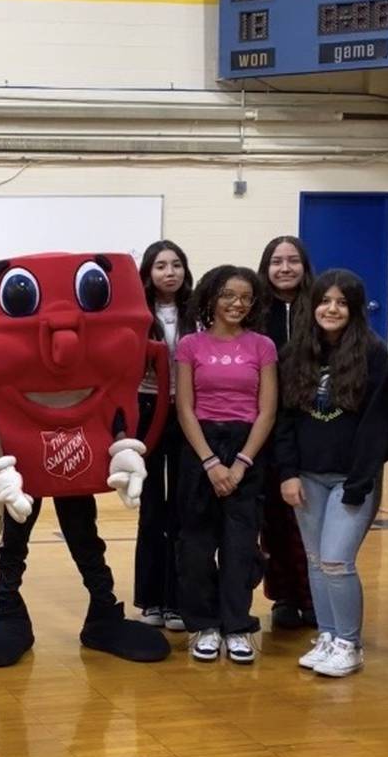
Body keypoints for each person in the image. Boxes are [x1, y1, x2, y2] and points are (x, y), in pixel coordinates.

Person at [275, 269, 388, 678]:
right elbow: (284, 418)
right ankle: (327, 636)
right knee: (314, 560)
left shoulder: (374, 353)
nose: (331, 309)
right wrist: (288, 473)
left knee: (336, 561)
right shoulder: (296, 354)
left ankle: (349, 642)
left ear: (355, 309)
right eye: (325, 301)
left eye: (341, 302)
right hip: (307, 476)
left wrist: (360, 483)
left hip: (351, 478)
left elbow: (379, 425)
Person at [174, 265, 277, 664]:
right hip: (201, 447)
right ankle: (204, 625)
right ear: (212, 298)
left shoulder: (262, 346)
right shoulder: (190, 345)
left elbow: (266, 411)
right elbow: (184, 407)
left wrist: (242, 464)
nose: (237, 304)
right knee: (197, 544)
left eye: (246, 298)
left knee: (240, 546)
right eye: (229, 295)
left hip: (246, 447)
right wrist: (211, 462)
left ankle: (237, 625)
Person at [256, 235, 316, 630]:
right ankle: (283, 597)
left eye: (293, 260)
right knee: (274, 518)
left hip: (311, 424)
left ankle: (313, 597)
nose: (285, 268)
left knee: (307, 517)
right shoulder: (256, 310)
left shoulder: (320, 306)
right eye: (277, 261)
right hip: (265, 424)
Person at [132, 240, 193, 632]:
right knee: (152, 507)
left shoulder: (199, 312)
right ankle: (151, 598)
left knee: (184, 509)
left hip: (187, 413)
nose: (169, 273)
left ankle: (178, 600)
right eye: (160, 266)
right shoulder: (135, 314)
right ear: (148, 273)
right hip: (148, 412)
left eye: (176, 265)